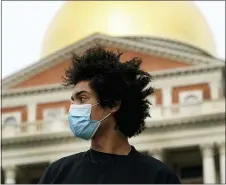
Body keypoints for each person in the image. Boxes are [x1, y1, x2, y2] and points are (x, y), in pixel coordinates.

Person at [38, 46, 180, 184]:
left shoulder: (158, 177)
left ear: (113, 104)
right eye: (73, 101)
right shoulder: (57, 174)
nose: (73, 109)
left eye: (82, 98)